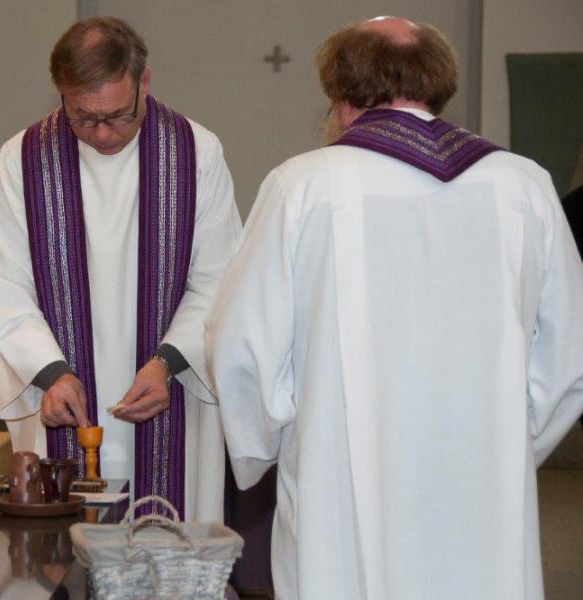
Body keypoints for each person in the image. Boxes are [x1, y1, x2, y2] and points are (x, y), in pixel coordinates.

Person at [207, 16, 583, 600]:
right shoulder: (524, 185)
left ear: (340, 92)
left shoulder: (303, 186)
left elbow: (241, 344)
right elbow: (570, 350)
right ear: (440, 83)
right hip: (481, 476)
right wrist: (509, 439)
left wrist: (276, 440)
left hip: (342, 469)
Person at [0, 16, 241, 520]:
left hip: (172, 390)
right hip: (60, 392)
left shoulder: (196, 152)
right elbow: (6, 283)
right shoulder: (23, 160)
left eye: (119, 116)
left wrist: (167, 363)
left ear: (144, 82)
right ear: (60, 92)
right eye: (83, 118)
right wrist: (50, 373)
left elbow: (218, 279)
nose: (102, 134)